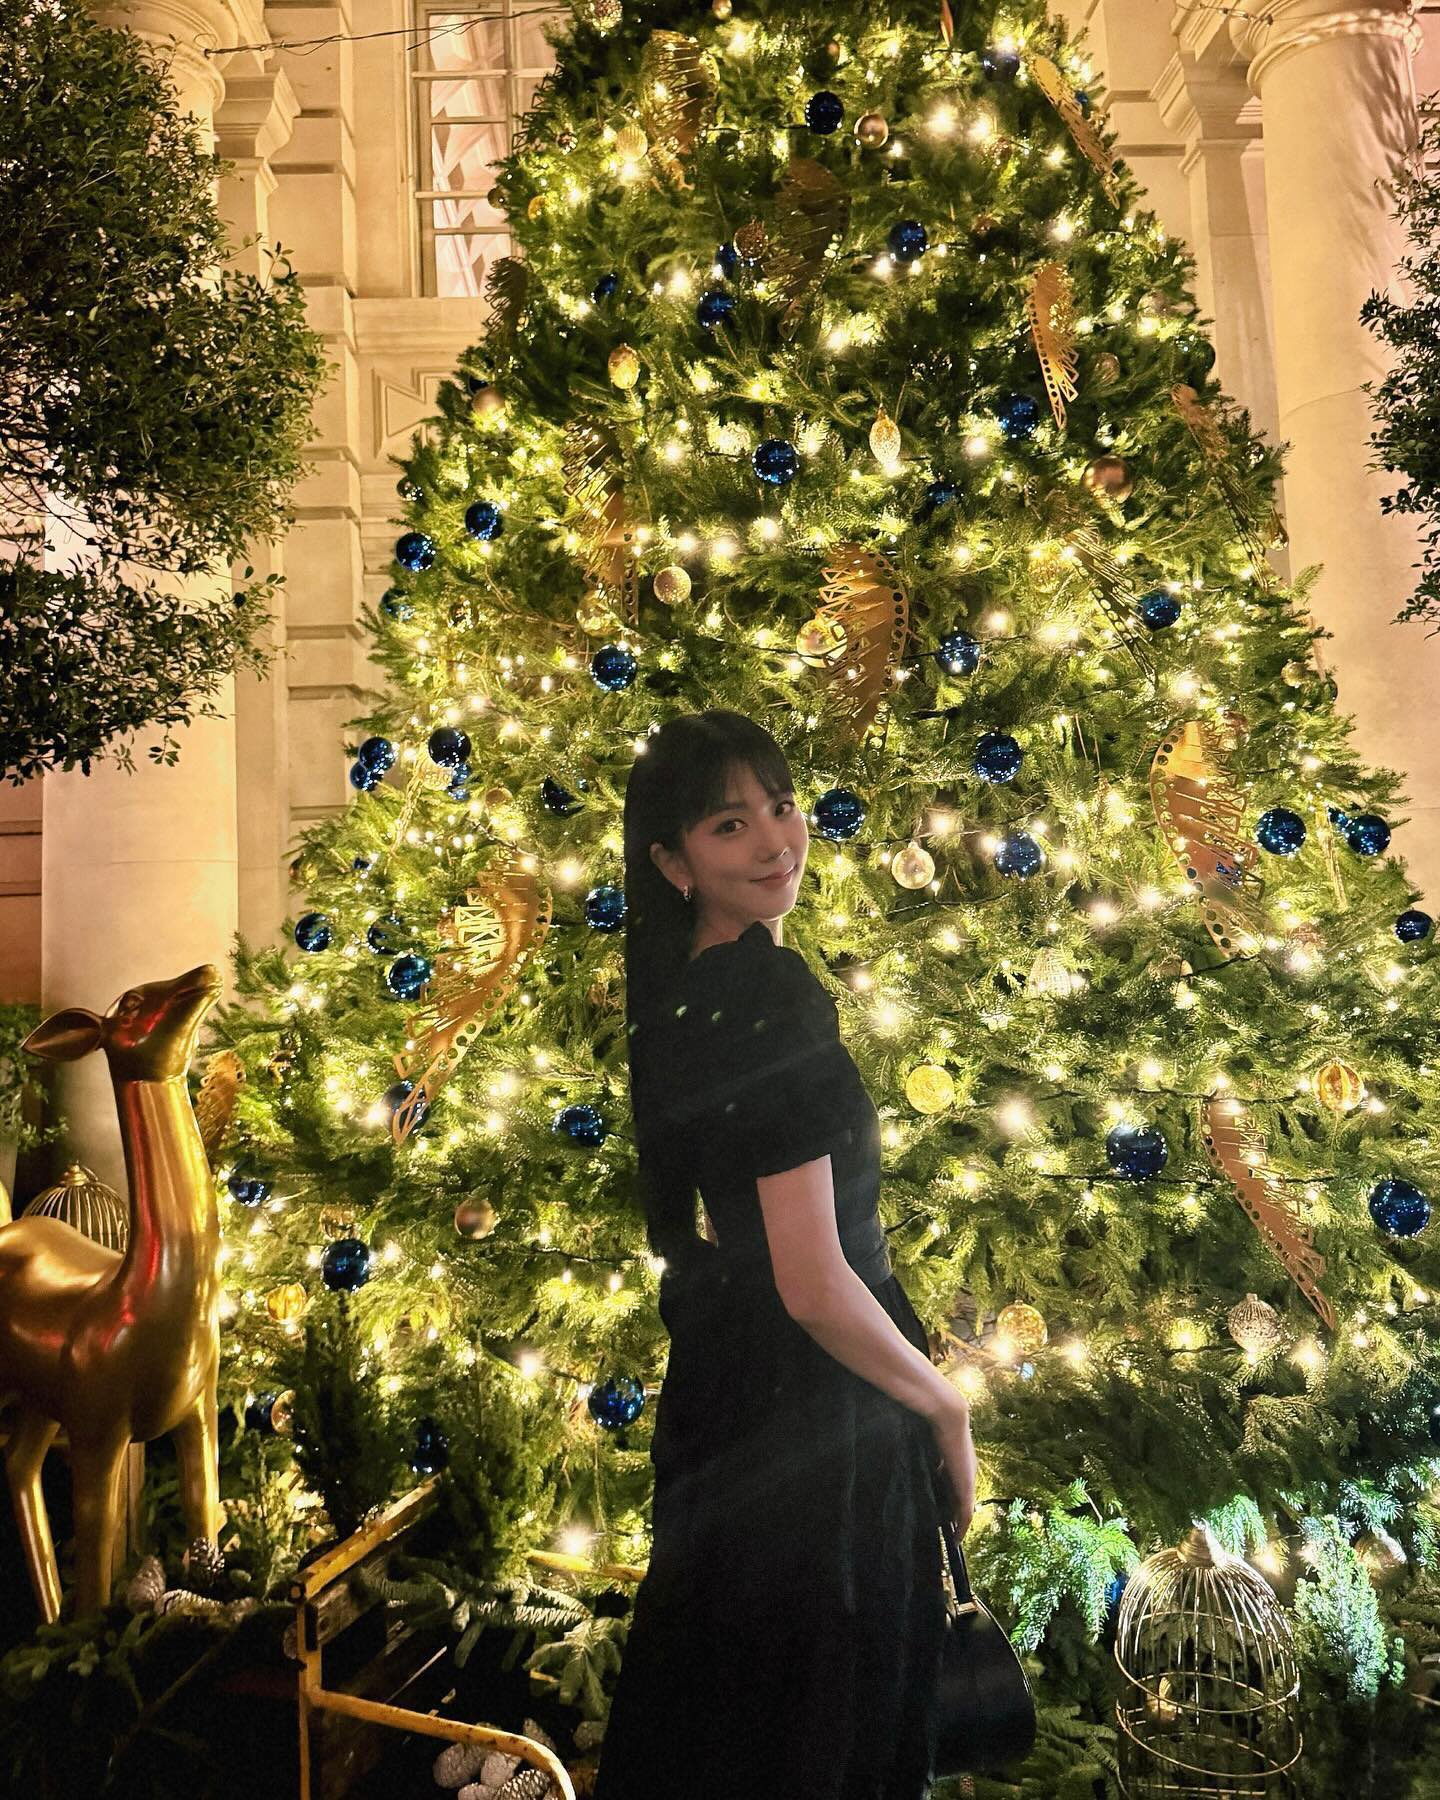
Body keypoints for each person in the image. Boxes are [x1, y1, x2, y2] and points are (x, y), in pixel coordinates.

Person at [594, 710, 978, 1800]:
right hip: (818, 1416)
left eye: (781, 805)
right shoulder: (767, 995)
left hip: (732, 1396)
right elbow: (812, 1281)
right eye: (730, 824)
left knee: (729, 1715)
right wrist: (945, 1406)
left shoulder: (681, 991)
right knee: (824, 1722)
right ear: (673, 863)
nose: (776, 842)